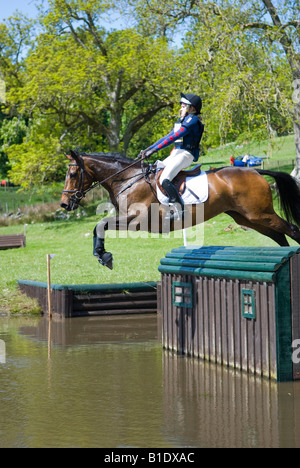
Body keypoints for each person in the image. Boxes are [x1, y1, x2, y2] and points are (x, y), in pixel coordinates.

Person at [142, 92, 204, 221]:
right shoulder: (182, 120)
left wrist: (154, 150)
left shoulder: (192, 120)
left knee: (165, 178)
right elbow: (166, 137)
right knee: (156, 171)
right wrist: (149, 149)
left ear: (191, 108)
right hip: (177, 153)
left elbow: (174, 137)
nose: (181, 107)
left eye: (184, 105)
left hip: (186, 154)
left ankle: (180, 209)